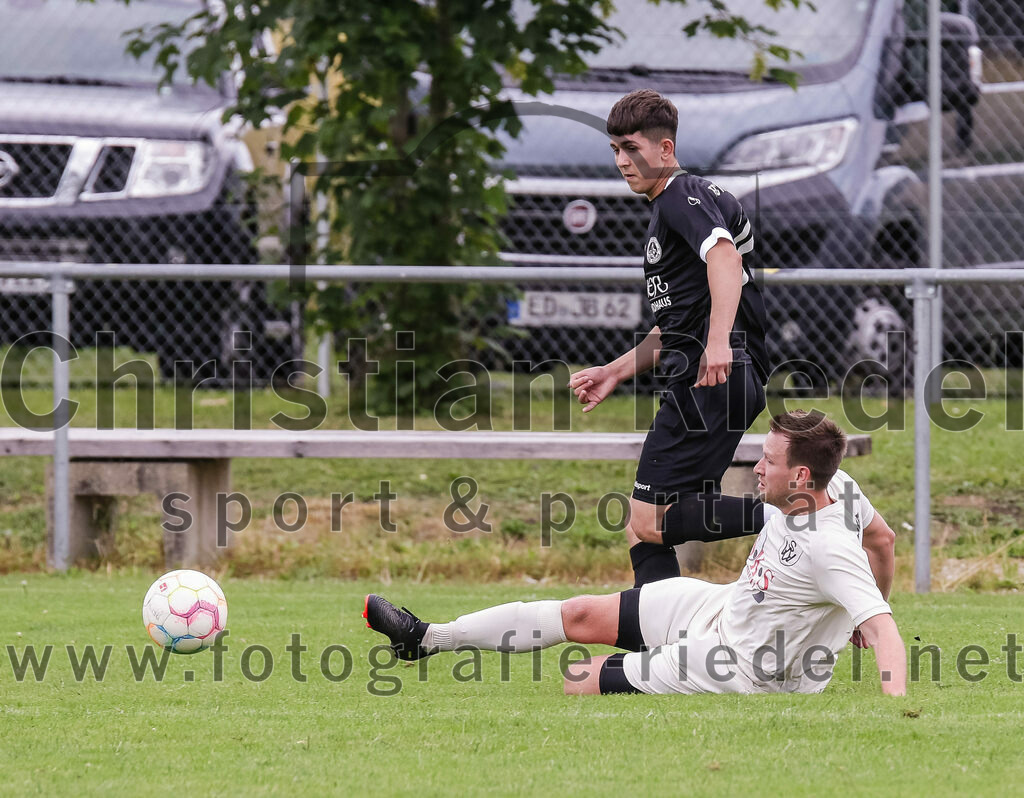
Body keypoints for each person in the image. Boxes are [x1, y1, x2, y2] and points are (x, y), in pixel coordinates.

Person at [364, 411, 905, 697]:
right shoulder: (839, 485)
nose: (757, 468)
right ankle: (425, 638)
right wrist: (856, 609)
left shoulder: (828, 547)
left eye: (768, 461)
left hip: (740, 667)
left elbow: (885, 631)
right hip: (722, 608)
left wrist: (895, 704)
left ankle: (659, 658)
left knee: (580, 678)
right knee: (580, 613)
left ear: (802, 475)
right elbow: (883, 539)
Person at [567, 89, 772, 588]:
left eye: (631, 148)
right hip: (724, 376)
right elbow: (680, 322)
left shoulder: (681, 196)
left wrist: (719, 343)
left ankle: (804, 518)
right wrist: (615, 371)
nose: (622, 161)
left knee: (647, 520)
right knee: (649, 525)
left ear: (665, 149)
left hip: (711, 378)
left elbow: (725, 258)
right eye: (615, 149)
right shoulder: (685, 200)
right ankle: (663, 632)